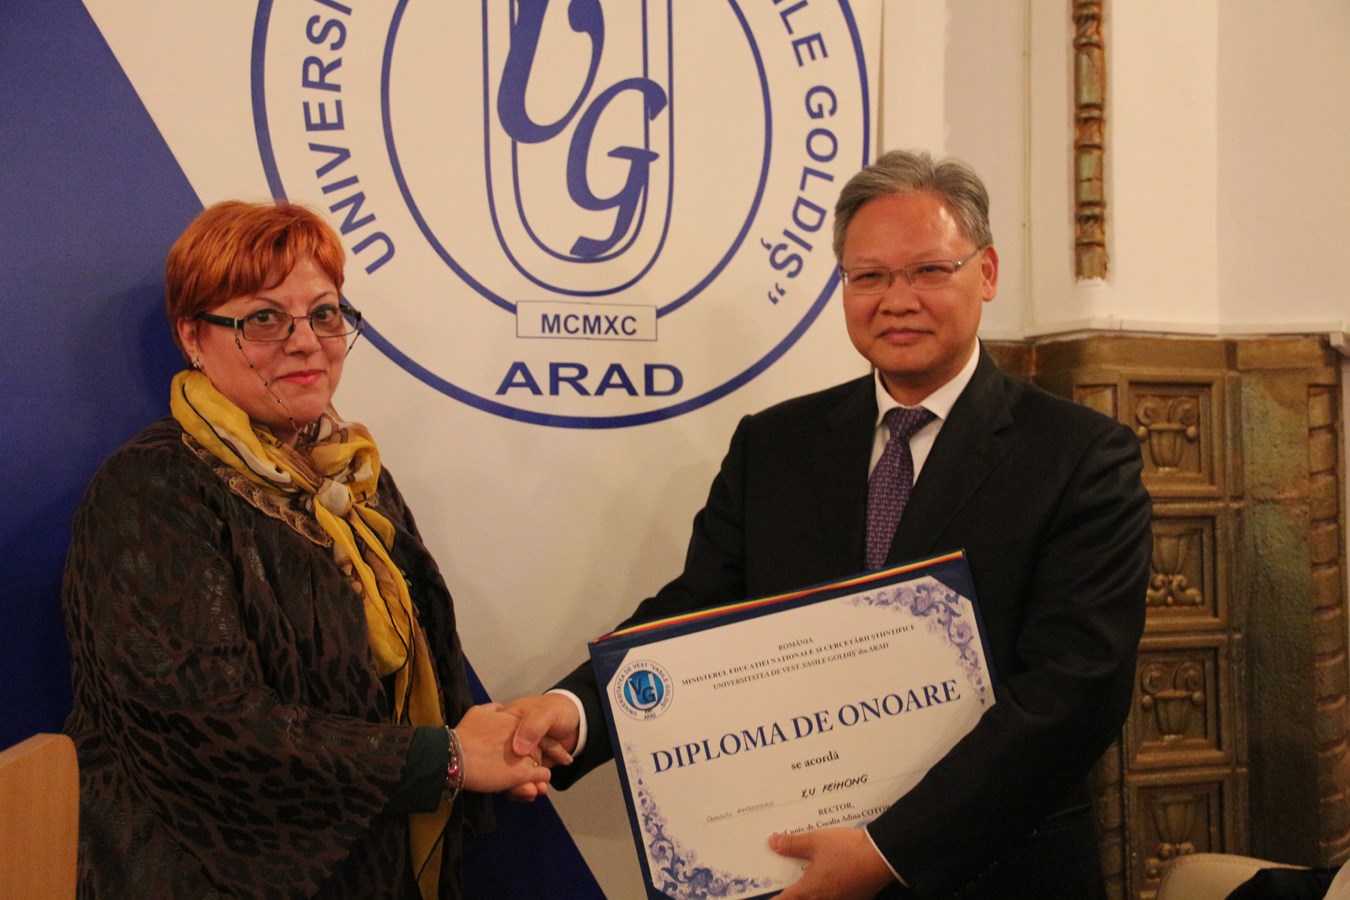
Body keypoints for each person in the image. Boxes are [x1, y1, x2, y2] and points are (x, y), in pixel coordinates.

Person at [506, 150, 1153, 899]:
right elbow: (697, 614)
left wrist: (889, 852)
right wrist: (577, 709)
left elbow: (1075, 692)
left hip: (999, 874)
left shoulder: (1082, 457)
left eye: (928, 271)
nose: (896, 300)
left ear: (988, 273)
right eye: (868, 277)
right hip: (789, 864)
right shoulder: (773, 446)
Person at [61, 200, 549, 898]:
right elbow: (203, 727)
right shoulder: (150, 490)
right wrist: (443, 760)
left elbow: (407, 685)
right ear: (193, 336)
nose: (306, 342)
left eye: (324, 313)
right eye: (263, 318)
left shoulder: (354, 480)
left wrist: (499, 746)